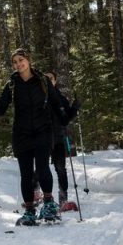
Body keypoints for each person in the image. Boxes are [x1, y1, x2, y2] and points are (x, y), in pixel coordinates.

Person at [0, 48, 67, 225]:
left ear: (28, 61)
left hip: (43, 131)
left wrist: (67, 114)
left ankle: (49, 204)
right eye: (15, 62)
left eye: (21, 60)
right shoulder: (12, 84)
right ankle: (30, 211)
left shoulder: (43, 81)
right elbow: (1, 110)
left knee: (43, 167)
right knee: (26, 174)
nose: (18, 64)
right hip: (21, 134)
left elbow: (56, 102)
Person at [43, 71, 81, 207]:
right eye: (46, 78)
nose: (48, 80)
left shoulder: (60, 98)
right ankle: (37, 195)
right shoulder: (40, 96)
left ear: (55, 81)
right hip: (43, 138)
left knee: (60, 168)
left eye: (51, 78)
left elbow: (67, 117)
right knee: (41, 168)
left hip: (58, 137)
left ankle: (63, 199)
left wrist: (75, 108)